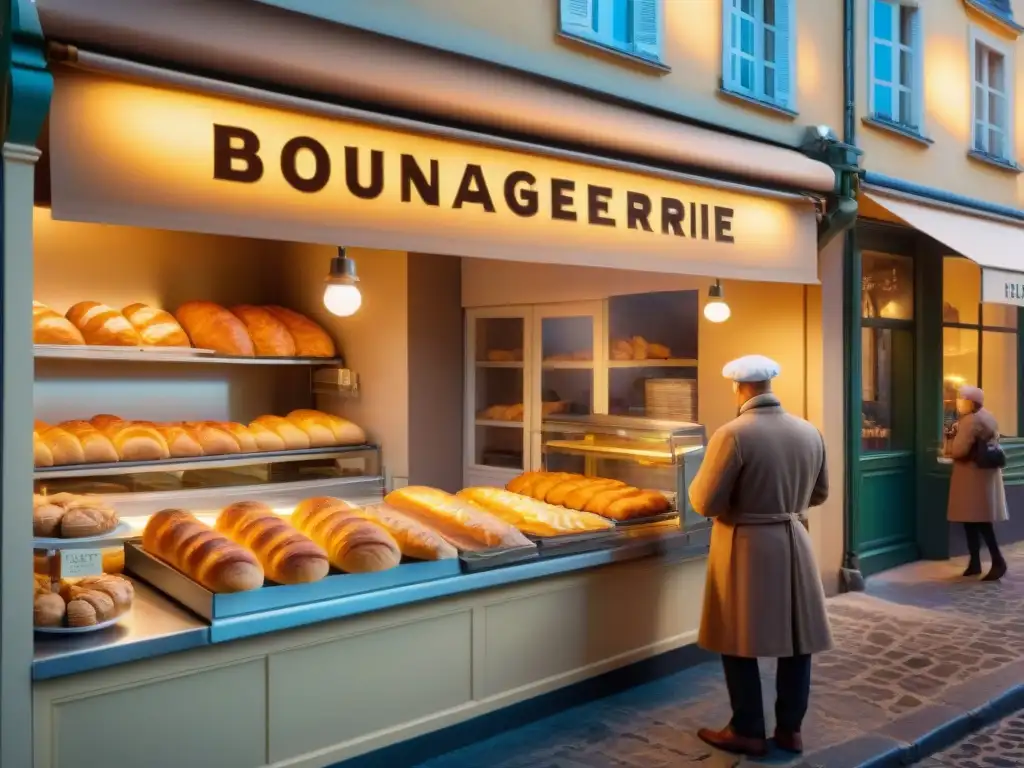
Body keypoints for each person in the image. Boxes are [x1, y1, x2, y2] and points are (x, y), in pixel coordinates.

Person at [689, 355, 832, 757]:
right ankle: (791, 730)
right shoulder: (809, 431)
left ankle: (747, 728)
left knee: (737, 636)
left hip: (746, 545)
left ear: (739, 389)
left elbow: (705, 501)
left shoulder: (733, 434)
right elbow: (820, 494)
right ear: (770, 386)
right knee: (797, 637)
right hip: (794, 539)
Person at [946, 385, 1008, 581]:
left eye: (962, 400)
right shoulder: (987, 416)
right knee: (975, 519)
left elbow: (959, 449)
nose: (959, 403)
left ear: (971, 402)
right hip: (983, 476)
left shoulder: (970, 421)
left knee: (977, 520)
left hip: (970, 477)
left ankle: (996, 560)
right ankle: (975, 562)